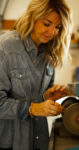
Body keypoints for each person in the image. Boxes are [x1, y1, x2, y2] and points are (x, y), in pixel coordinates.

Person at [0, 0, 72, 150]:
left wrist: (47, 98)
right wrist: (32, 109)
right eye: (47, 24)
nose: (52, 32)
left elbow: (37, 99)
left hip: (39, 140)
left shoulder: (49, 54)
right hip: (10, 143)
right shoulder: (6, 48)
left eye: (57, 27)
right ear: (32, 17)